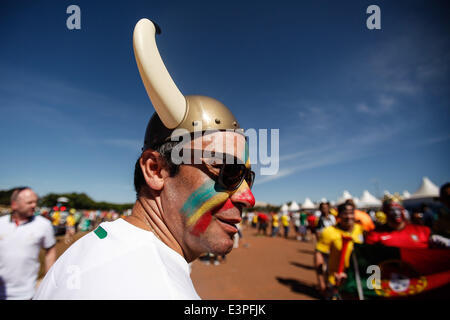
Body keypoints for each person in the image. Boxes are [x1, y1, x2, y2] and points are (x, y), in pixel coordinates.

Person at [34, 18, 255, 299]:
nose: (248, 198)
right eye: (229, 171)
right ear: (156, 170)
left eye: (247, 177)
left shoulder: (91, 248)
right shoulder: (160, 290)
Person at [0, 187, 56, 299]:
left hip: (27, 293)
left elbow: (50, 250)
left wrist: (48, 280)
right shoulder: (1, 223)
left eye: (35, 202)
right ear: (14, 204)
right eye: (29, 202)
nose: (34, 205)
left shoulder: (44, 225)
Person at [314, 201, 364, 299]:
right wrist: (322, 283)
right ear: (339, 215)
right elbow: (319, 256)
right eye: (345, 213)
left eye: (351, 213)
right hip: (336, 281)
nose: (349, 216)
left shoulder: (362, 229)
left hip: (358, 280)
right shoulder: (328, 232)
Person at [366, 198, 449, 249]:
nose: (396, 213)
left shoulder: (423, 231)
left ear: (403, 211)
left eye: (398, 209)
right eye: (392, 210)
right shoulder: (374, 235)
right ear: (385, 213)